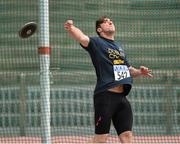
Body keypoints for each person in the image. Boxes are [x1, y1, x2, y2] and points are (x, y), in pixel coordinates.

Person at [64, 16, 153, 143]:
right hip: (105, 96)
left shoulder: (119, 47)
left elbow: (128, 70)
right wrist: (71, 27)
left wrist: (140, 72)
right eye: (105, 21)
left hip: (122, 98)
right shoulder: (96, 43)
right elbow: (82, 37)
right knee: (101, 139)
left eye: (110, 20)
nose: (109, 21)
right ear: (99, 29)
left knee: (127, 136)